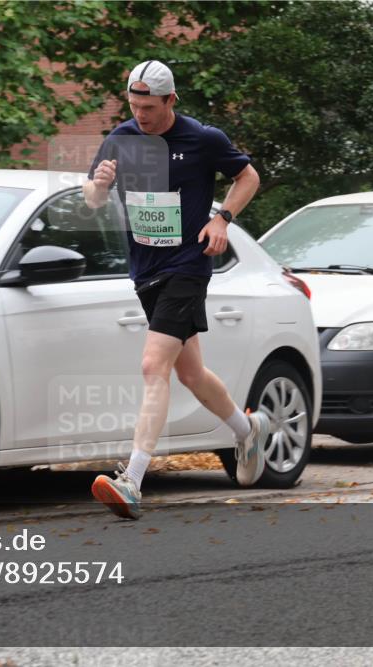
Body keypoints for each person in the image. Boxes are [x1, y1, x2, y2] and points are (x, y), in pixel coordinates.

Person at [83, 59, 270, 520]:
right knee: (190, 373)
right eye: (133, 105)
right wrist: (100, 186)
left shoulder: (203, 139)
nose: (140, 115)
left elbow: (248, 177)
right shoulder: (121, 140)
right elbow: (92, 198)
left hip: (188, 266)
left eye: (149, 106)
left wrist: (221, 218)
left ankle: (132, 480)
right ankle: (246, 431)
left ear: (171, 100)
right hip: (145, 270)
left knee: (153, 366)